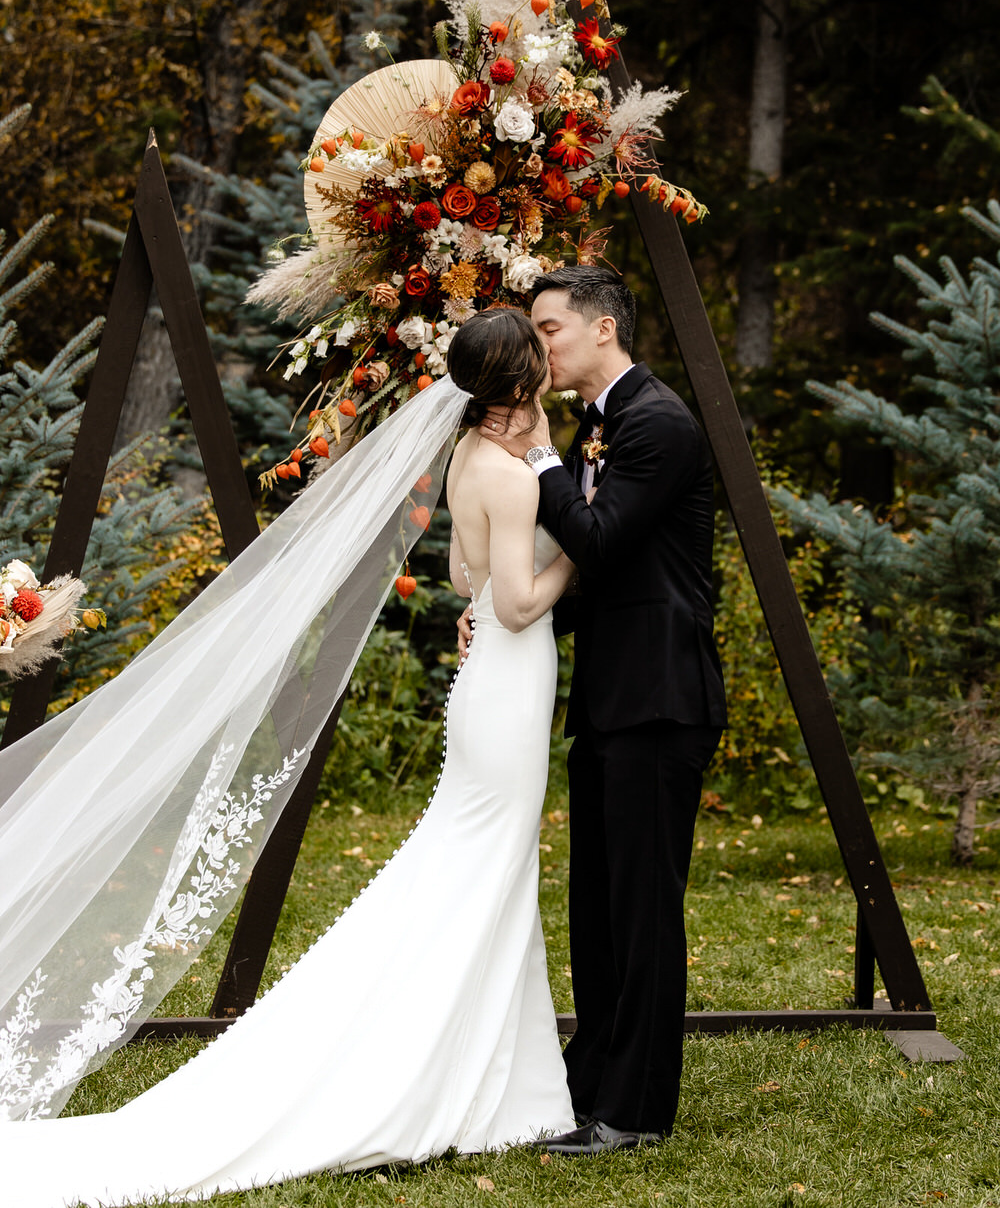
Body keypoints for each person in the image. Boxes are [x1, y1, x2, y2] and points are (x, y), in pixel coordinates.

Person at [0, 308, 579, 1206]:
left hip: (489, 690)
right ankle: (473, 1081)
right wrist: (579, 559)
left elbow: (463, 581)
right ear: (521, 378)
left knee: (484, 869)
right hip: (507, 680)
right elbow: (505, 602)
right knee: (490, 864)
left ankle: (510, 1082)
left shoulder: (470, 458)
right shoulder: (509, 473)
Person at [470, 265, 727, 1155]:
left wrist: (538, 458)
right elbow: (598, 578)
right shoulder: (599, 425)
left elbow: (600, 539)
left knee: (644, 908)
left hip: (661, 697)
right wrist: (502, 623)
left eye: (548, 330)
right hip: (612, 696)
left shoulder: (655, 424)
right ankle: (592, 1081)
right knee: (600, 904)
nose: (538, 347)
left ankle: (637, 1110)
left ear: (604, 329)